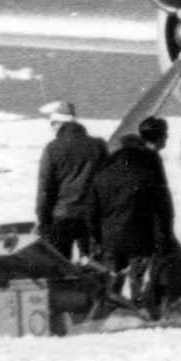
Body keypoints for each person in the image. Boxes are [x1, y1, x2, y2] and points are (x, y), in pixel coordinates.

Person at [90, 119, 177, 313]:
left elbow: (92, 213)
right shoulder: (147, 173)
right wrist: (165, 234)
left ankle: (107, 316)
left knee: (112, 284)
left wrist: (97, 238)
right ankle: (139, 313)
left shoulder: (101, 176)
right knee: (137, 282)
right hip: (140, 238)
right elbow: (164, 208)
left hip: (110, 240)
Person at [34, 102, 105, 261]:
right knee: (94, 269)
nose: (52, 129)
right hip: (92, 219)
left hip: (62, 216)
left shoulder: (52, 148)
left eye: (52, 124)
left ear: (59, 123)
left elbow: (45, 189)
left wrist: (43, 221)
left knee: (59, 270)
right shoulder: (98, 146)